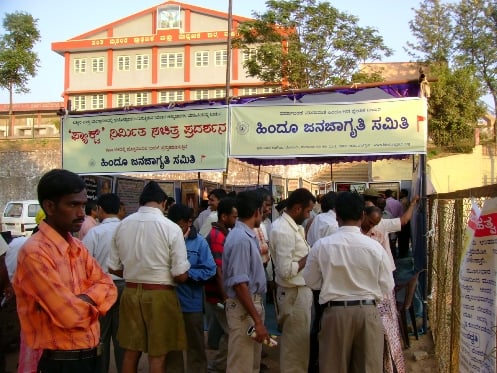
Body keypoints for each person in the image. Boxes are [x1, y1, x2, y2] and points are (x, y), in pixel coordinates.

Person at [12, 168, 117, 373]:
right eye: (72, 205)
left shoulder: (77, 246)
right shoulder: (35, 253)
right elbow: (70, 315)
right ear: (50, 206)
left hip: (91, 357)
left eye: (83, 205)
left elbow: (109, 287)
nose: (81, 213)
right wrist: (94, 300)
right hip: (60, 363)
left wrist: (82, 299)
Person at [303, 191, 394, 373]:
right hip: (368, 313)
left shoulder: (322, 246)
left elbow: (311, 281)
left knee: (333, 368)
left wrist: (333, 283)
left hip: (334, 314)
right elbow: (387, 285)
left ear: (336, 216)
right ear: (362, 215)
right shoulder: (375, 247)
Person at [108, 181, 190, 373]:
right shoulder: (171, 228)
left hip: (130, 292)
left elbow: (113, 267)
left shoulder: (122, 226)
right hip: (160, 295)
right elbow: (180, 275)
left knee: (131, 350)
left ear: (140, 202)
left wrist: (135, 273)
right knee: (158, 354)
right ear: (163, 203)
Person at [269, 188, 316, 373]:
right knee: (294, 346)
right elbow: (286, 270)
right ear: (297, 208)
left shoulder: (294, 227)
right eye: (308, 211)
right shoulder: (283, 230)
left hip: (300, 291)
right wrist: (310, 256)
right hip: (293, 293)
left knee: (299, 343)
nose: (309, 215)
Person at [166, 203, 216, 373]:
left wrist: (187, 275)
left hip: (191, 303)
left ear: (189, 222)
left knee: (195, 345)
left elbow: (210, 269)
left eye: (179, 225)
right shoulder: (164, 239)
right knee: (172, 346)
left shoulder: (199, 242)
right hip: (169, 302)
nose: (176, 229)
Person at [222, 190, 269, 373]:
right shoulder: (241, 239)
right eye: (263, 209)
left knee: (250, 364)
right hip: (245, 307)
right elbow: (240, 284)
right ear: (256, 211)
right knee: (241, 365)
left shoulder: (245, 235)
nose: (264, 213)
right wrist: (257, 320)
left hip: (249, 305)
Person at [82, 193, 125, 373]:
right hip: (124, 285)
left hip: (100, 289)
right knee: (122, 336)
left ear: (100, 209)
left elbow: (83, 262)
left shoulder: (94, 233)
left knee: (101, 336)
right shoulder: (127, 229)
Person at [361, 206, 406, 373]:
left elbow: (385, 278)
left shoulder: (378, 234)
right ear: (362, 215)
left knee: (387, 328)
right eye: (370, 222)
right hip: (368, 293)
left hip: (381, 291)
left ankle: (389, 365)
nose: (371, 226)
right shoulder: (358, 236)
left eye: (374, 224)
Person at [305, 191, 339, 373]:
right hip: (329, 279)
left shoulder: (316, 220)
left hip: (317, 276)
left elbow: (309, 244)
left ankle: (313, 361)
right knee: (326, 322)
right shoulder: (333, 225)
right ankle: (321, 361)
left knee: (317, 320)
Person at [204, 197, 238, 373]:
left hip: (219, 292)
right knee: (233, 332)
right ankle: (218, 365)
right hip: (218, 293)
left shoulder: (222, 233)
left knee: (229, 331)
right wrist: (226, 297)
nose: (236, 220)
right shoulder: (217, 236)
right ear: (224, 217)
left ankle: (220, 364)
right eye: (234, 216)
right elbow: (219, 269)